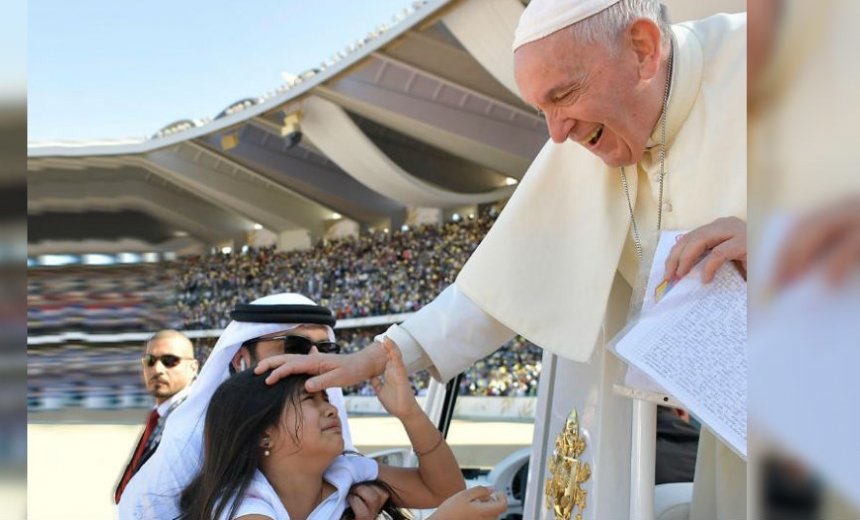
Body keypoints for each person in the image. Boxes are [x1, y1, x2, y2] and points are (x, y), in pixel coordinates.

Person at [259, 1, 747, 518]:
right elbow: (501, 284)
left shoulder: (788, 59)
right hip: (733, 440)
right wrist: (386, 351)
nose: (557, 134)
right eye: (542, 110)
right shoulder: (581, 139)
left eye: (563, 95)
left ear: (644, 50)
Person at [119, 294, 393, 520]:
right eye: (294, 346)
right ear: (241, 361)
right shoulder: (190, 440)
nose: (314, 362)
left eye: (324, 349)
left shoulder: (326, 427)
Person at [180, 340, 506, 520]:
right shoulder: (246, 508)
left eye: (326, 397)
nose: (330, 408)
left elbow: (445, 490)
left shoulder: (344, 471)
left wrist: (410, 414)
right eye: (310, 399)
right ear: (264, 434)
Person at [115, 329, 199, 504]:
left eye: (170, 361)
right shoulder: (160, 415)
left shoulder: (194, 418)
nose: (157, 369)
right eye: (150, 361)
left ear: (193, 368)